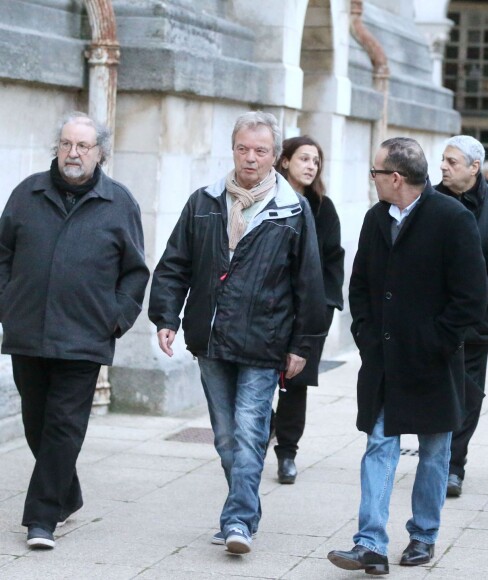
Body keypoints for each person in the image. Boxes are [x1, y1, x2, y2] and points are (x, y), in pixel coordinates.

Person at [148, 111, 326, 555]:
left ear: (275, 157)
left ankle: (239, 521)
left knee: (249, 430)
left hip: (265, 341)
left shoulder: (293, 209)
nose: (250, 158)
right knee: (226, 436)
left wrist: (302, 344)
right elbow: (174, 264)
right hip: (210, 338)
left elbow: (309, 282)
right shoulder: (204, 202)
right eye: (243, 149)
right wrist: (166, 318)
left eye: (261, 151)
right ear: (233, 150)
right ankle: (243, 507)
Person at [327, 137, 487, 575]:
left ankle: (423, 536)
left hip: (434, 362)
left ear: (394, 177)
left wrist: (437, 341)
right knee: (379, 444)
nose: (373, 180)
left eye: (375, 173)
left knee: (436, 451)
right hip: (384, 361)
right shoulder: (375, 218)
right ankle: (370, 544)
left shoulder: (452, 218)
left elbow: (471, 298)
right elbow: (359, 286)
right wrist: (365, 334)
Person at [0, 111, 149, 549]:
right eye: (67, 144)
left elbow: (136, 272)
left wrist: (115, 319)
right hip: (28, 330)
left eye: (83, 146)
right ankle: (68, 494)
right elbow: (2, 253)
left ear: (100, 152)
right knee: (35, 422)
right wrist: (7, 304)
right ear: (57, 147)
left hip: (85, 336)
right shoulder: (27, 193)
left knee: (64, 425)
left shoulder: (119, 202)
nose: (73, 153)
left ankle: (41, 519)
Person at [437, 135, 488, 497]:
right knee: (437, 389)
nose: (443, 167)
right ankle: (435, 458)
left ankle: (454, 465)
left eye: (452, 162)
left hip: (479, 317)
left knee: (469, 394)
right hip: (435, 318)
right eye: (443, 160)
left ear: (474, 166)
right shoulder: (430, 201)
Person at [271, 136, 344, 484]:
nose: (311, 165)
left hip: (306, 311)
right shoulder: (266, 199)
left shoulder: (322, 208)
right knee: (255, 380)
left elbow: (332, 262)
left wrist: (325, 308)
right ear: (284, 161)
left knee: (294, 383)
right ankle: (263, 430)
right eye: (304, 158)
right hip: (267, 308)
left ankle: (287, 453)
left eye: (316, 160)